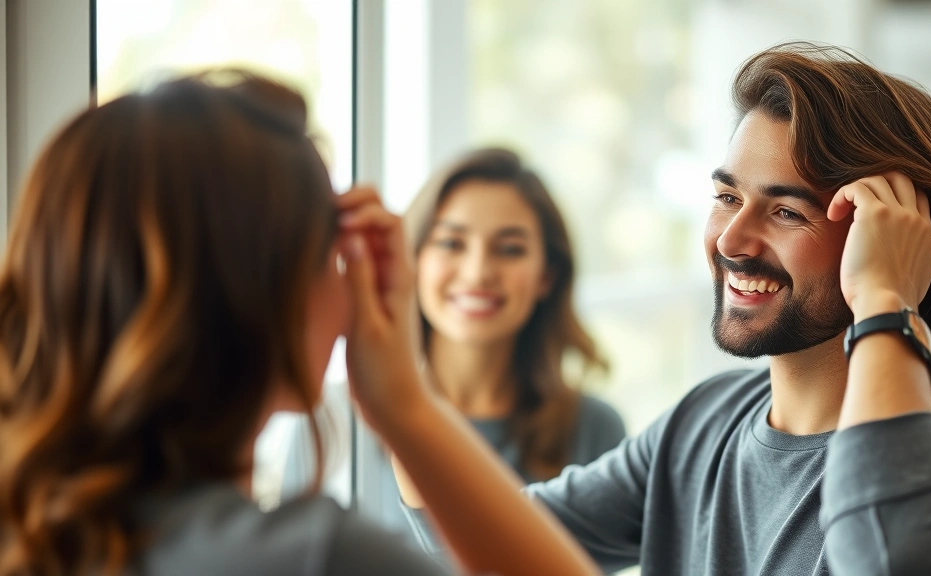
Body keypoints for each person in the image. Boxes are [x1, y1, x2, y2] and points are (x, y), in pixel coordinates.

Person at [400, 43, 931, 575]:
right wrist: (393, 360)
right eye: (728, 196)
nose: (730, 242)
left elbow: (892, 559)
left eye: (786, 211)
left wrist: (885, 302)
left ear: (897, 241)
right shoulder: (704, 422)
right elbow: (478, 544)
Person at [0, 71, 600, 576]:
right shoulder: (314, 556)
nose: (350, 285)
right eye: (330, 254)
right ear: (267, 292)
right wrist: (404, 404)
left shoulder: (35, 521)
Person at [276, 148, 625, 537]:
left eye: (510, 249)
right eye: (451, 244)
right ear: (412, 260)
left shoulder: (594, 428)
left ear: (547, 275)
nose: (478, 273)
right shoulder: (332, 419)